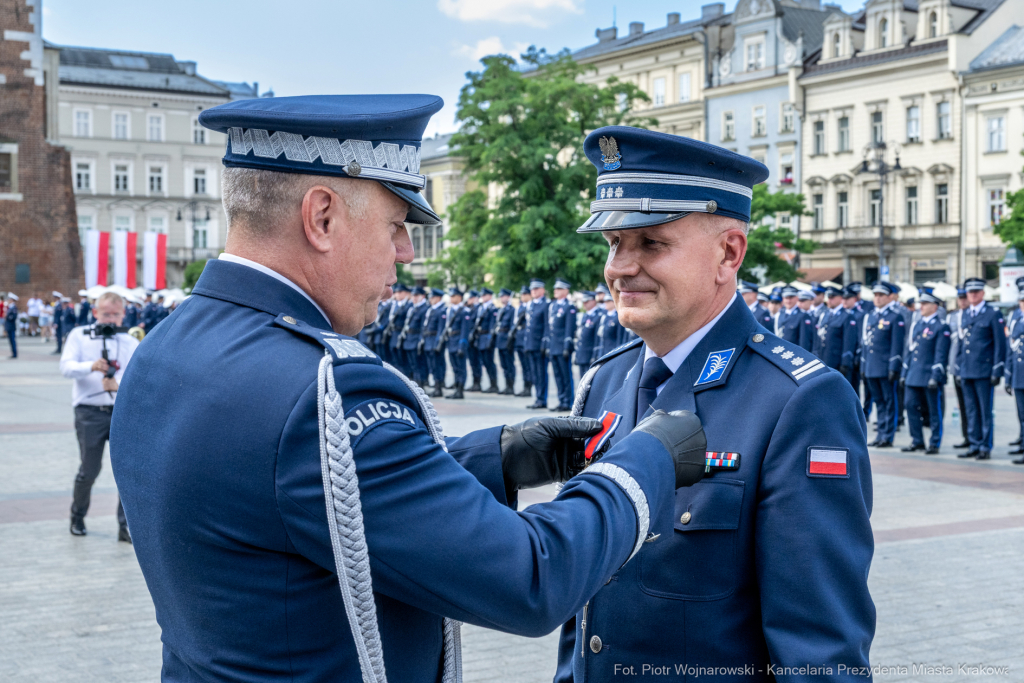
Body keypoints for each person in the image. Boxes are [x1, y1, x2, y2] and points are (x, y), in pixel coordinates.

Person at [109, 94, 704, 682]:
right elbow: (530, 578)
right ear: (321, 218)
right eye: (396, 225)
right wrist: (645, 460)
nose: (405, 253)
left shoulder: (169, 346)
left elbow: (301, 489)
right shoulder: (324, 393)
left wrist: (493, 458)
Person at [555, 125, 873, 681]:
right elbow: (583, 614)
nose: (619, 268)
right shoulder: (604, 381)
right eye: (614, 243)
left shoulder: (798, 401)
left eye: (651, 243)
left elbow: (820, 654)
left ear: (728, 253)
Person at [61, 291, 139, 541]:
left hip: (120, 412)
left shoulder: (129, 341)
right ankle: (77, 516)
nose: (111, 319)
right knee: (89, 470)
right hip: (90, 412)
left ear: (123, 314)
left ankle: (125, 527)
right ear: (95, 313)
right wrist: (90, 366)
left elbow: (137, 373)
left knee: (126, 472)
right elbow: (66, 367)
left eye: (116, 314)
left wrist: (117, 382)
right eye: (106, 314)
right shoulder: (79, 335)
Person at [956, 277, 1005, 460]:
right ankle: (974, 443)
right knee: (971, 410)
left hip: (984, 370)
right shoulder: (966, 314)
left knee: (985, 410)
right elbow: (962, 344)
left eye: (976, 292)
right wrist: (959, 368)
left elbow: (999, 344)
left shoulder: (992, 314)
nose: (973, 295)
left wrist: (997, 369)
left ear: (983, 293)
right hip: (967, 369)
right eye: (970, 292)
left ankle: (985, 446)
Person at [862, 281, 905, 448]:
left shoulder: (895, 317)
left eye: (881, 295)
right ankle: (880, 434)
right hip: (872, 366)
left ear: (889, 297)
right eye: (875, 295)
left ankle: (888, 436)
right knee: (878, 402)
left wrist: (894, 366)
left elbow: (896, 344)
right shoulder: (871, 316)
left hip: (886, 367)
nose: (877, 298)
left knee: (889, 402)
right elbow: (866, 343)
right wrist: (864, 366)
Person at [817, 285, 858, 381]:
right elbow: (818, 338)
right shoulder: (825, 315)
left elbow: (849, 341)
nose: (829, 300)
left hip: (837, 361)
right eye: (828, 297)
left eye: (832, 297)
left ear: (840, 298)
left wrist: (845, 362)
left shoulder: (847, 316)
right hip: (823, 360)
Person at [547, 278, 576, 412]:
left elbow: (569, 328)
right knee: (558, 376)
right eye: (555, 288)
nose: (555, 291)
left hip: (562, 347)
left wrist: (566, 346)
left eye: (559, 289)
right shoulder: (553, 306)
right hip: (554, 346)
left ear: (566, 291)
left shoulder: (569, 307)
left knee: (566, 375)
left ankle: (568, 401)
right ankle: (561, 399)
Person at [1006, 284, 1024, 464]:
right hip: (1019, 374)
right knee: (1022, 414)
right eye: (1022, 301)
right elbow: (1011, 349)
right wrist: (1008, 376)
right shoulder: (1017, 321)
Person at [525, 279, 549, 409]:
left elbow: (546, 326)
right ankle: (537, 397)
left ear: (542, 290)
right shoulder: (531, 305)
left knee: (541, 373)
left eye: (536, 289)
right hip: (531, 344)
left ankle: (542, 399)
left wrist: (544, 343)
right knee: (534, 373)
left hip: (539, 345)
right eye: (532, 289)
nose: (533, 291)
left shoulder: (546, 305)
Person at [421, 288, 447, 397]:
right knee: (431, 365)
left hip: (434, 341)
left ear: (438, 298)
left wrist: (438, 343)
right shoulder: (431, 309)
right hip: (428, 340)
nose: (430, 299)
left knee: (437, 365)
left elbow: (441, 329)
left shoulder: (442, 310)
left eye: (433, 297)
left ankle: (438, 388)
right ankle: (436, 386)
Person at [400, 286, 427, 383]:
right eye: (413, 295)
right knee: (412, 363)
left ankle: (420, 382)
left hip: (416, 339)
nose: (414, 298)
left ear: (423, 296)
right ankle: (415, 380)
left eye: (416, 295)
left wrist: (420, 340)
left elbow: (423, 327)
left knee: (418, 363)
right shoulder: (412, 308)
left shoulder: (424, 309)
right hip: (409, 338)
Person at [445, 286, 468, 399]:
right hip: (451, 342)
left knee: (461, 367)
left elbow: (464, 331)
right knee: (454, 367)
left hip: (459, 342)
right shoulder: (450, 310)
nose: (451, 298)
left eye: (453, 296)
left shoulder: (464, 311)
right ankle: (456, 388)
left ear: (459, 297)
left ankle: (460, 390)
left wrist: (462, 345)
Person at [475, 288, 500, 393]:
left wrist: (490, 339)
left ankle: (494, 384)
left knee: (489, 362)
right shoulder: (481, 308)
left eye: (484, 295)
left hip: (487, 337)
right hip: (481, 337)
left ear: (490, 296)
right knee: (484, 362)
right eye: (482, 295)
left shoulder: (492, 308)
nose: (483, 297)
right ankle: (490, 383)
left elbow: (492, 325)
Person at [774, 285, 813, 351]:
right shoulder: (779, 315)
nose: (788, 301)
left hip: (794, 353)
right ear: (783, 299)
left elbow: (804, 341)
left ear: (797, 298)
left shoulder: (802, 316)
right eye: (786, 298)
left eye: (791, 298)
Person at [495, 288, 517, 395]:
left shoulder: (511, 310)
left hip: (507, 339)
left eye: (503, 296)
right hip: (500, 338)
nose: (501, 298)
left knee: (509, 364)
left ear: (508, 297)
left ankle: (511, 386)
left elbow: (513, 326)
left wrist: (510, 340)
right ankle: (506, 384)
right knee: (503, 364)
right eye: (500, 296)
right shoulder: (501, 310)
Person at [513, 286, 533, 397]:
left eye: (525, 294)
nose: (522, 296)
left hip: (527, 339)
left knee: (528, 365)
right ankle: (525, 386)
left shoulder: (531, 307)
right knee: (523, 365)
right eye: (522, 294)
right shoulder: (520, 307)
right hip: (519, 339)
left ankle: (529, 387)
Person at [575, 291, 600, 377]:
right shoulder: (585, 315)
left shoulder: (598, 316)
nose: (584, 304)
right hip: (582, 353)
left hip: (590, 355)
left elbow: (597, 339)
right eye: (583, 302)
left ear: (593, 301)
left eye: (586, 301)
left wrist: (595, 355)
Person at [594, 294, 624, 359]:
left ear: (614, 302)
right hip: (602, 351)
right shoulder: (604, 316)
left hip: (611, 351)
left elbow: (619, 337)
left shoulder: (618, 317)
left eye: (608, 301)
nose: (605, 303)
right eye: (605, 301)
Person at [4, 293, 18, 359]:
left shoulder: (14, 307)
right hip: (9, 326)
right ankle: (13, 353)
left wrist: (7, 316)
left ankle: (14, 354)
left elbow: (13, 317)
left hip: (11, 326)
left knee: (12, 340)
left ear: (12, 300)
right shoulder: (10, 307)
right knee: (10, 341)